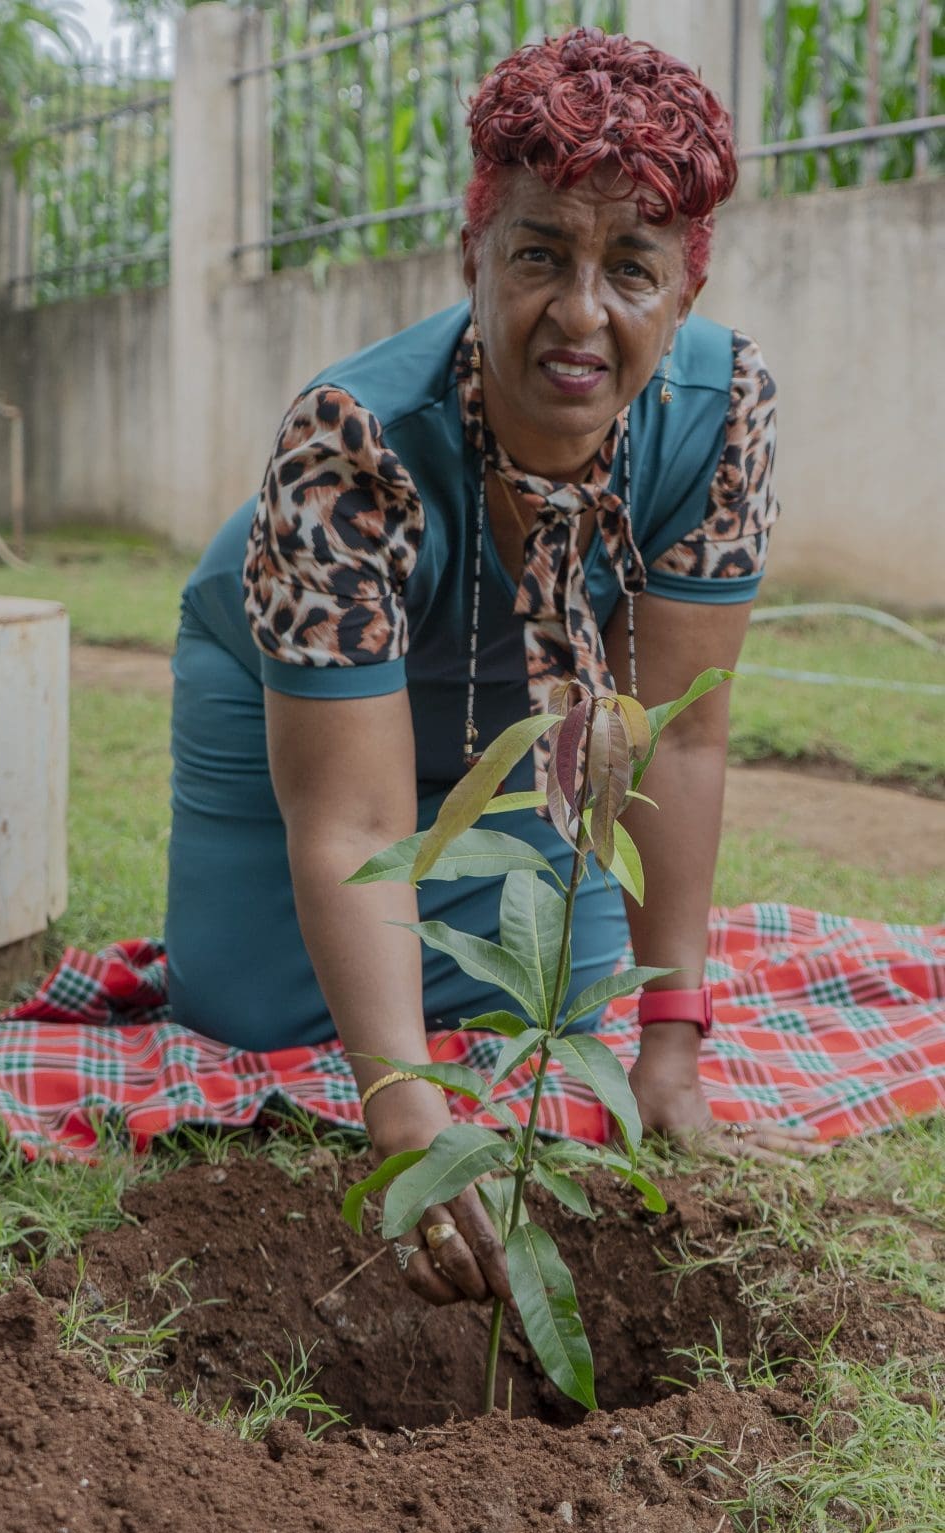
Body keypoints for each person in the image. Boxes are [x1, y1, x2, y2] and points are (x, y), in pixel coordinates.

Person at [166, 27, 819, 1310]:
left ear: (685, 289)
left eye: (632, 267)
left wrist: (672, 1048)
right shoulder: (351, 439)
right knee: (261, 1020)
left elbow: (675, 739)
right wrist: (404, 1109)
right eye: (539, 255)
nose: (581, 315)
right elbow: (352, 818)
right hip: (289, 713)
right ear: (473, 258)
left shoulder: (723, 407)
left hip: (519, 713)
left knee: (567, 1013)